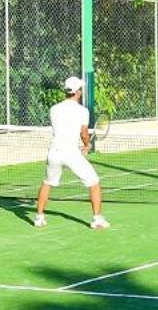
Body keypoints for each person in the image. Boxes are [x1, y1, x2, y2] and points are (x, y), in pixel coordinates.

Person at [31, 75, 109, 230]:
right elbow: (84, 133)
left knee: (47, 182)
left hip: (54, 152)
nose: (81, 91)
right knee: (94, 182)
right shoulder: (83, 111)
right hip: (71, 154)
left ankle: (39, 217)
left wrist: (84, 142)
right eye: (80, 89)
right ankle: (97, 219)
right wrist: (87, 145)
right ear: (77, 92)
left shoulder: (53, 109)